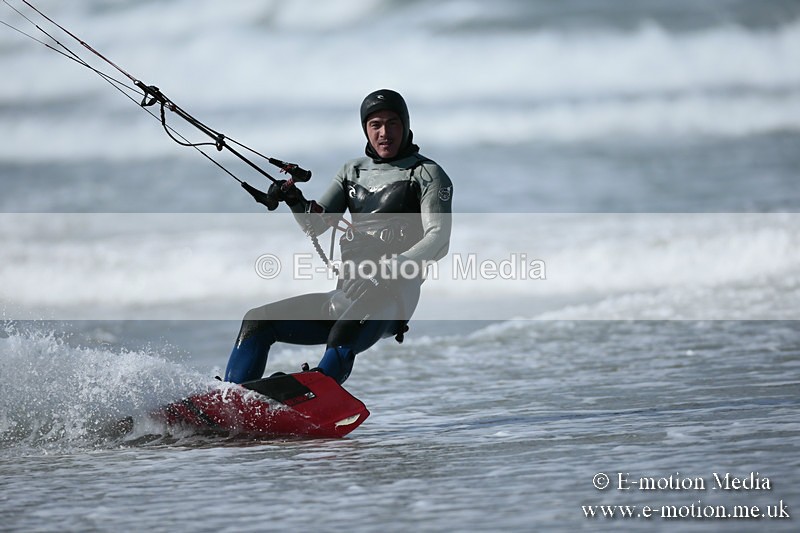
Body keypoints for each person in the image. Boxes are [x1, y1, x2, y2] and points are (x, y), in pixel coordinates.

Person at [225, 89, 453, 385]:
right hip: (348, 291)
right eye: (376, 125)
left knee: (342, 333)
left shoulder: (427, 174)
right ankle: (230, 399)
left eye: (393, 123)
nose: (385, 133)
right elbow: (315, 226)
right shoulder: (351, 172)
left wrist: (386, 271)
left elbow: (438, 239)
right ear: (366, 130)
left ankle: (315, 392)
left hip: (395, 293)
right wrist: (294, 199)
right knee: (257, 321)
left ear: (406, 125)